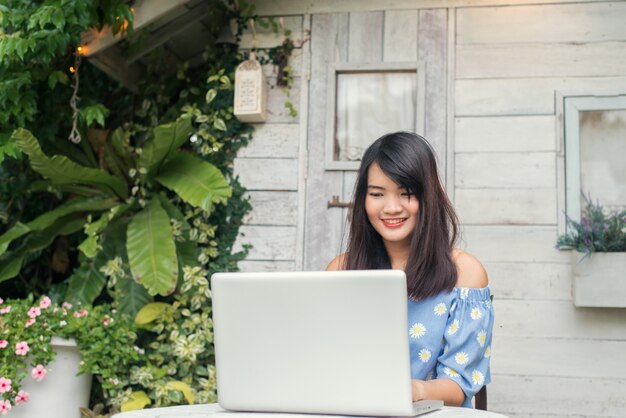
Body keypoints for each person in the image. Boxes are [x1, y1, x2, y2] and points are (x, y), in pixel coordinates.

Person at [327, 131, 493, 408]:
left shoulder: (466, 273)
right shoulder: (340, 271)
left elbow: (460, 385)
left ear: (429, 198)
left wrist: (412, 390)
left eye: (407, 193)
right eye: (377, 194)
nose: (392, 208)